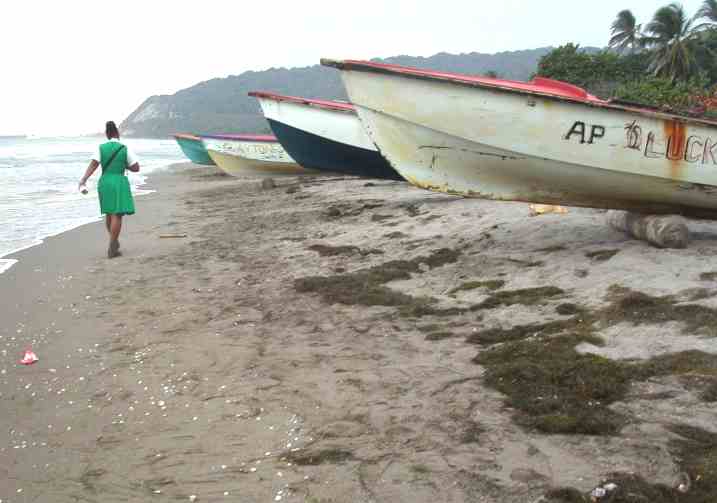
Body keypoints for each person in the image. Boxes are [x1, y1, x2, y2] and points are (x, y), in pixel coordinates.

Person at [79, 121, 140, 258]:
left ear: (107, 134)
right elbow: (136, 168)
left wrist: (83, 180)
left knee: (109, 213)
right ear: (117, 133)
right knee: (117, 215)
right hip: (118, 181)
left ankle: (114, 242)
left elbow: (93, 165)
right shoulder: (124, 148)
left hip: (105, 182)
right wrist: (125, 165)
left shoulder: (101, 148)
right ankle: (112, 246)